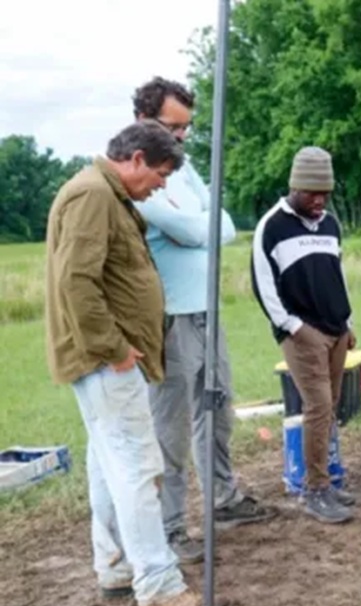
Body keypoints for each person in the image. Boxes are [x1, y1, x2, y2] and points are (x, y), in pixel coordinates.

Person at [45, 120, 229, 606]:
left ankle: (118, 566)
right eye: (161, 174)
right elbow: (76, 282)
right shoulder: (93, 195)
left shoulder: (105, 193)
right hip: (105, 361)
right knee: (137, 469)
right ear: (137, 159)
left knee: (110, 467)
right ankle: (159, 584)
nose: (161, 186)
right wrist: (115, 348)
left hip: (103, 360)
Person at [131, 76, 276, 563]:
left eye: (186, 128)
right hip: (170, 318)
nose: (180, 137)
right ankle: (170, 527)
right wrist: (200, 226)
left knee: (217, 407)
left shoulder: (185, 167)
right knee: (169, 428)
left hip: (207, 311)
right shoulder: (137, 172)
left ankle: (222, 496)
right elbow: (187, 228)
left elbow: (223, 225)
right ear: (143, 119)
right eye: (172, 126)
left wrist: (200, 227)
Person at [251, 146, 356, 524]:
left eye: (325, 194)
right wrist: (295, 328)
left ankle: (326, 481)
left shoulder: (330, 224)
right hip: (302, 333)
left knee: (331, 408)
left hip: (337, 329)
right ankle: (315, 490)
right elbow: (263, 285)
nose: (319, 201)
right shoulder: (272, 226)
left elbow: (337, 275)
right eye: (312, 194)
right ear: (295, 187)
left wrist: (349, 322)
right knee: (318, 406)